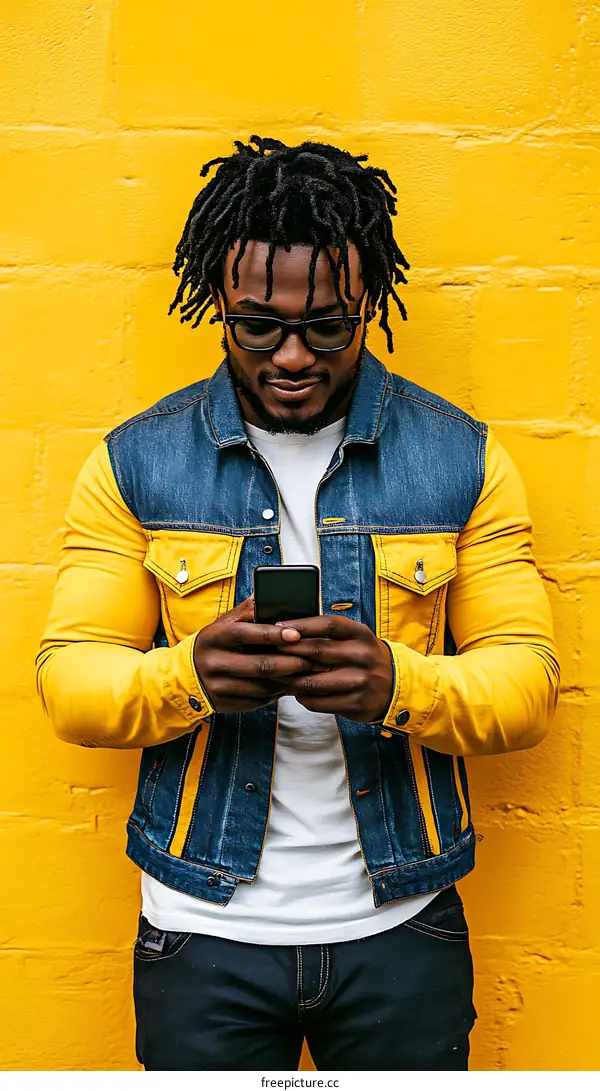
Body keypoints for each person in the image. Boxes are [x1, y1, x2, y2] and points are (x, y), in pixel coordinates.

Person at [36, 135, 559, 1072]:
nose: (290, 356)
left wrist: (397, 684)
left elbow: (526, 684)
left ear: (368, 305)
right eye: (255, 325)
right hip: (201, 931)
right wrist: (187, 675)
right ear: (217, 308)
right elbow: (70, 680)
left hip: (402, 925)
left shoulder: (464, 460)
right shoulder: (133, 462)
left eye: (327, 326)